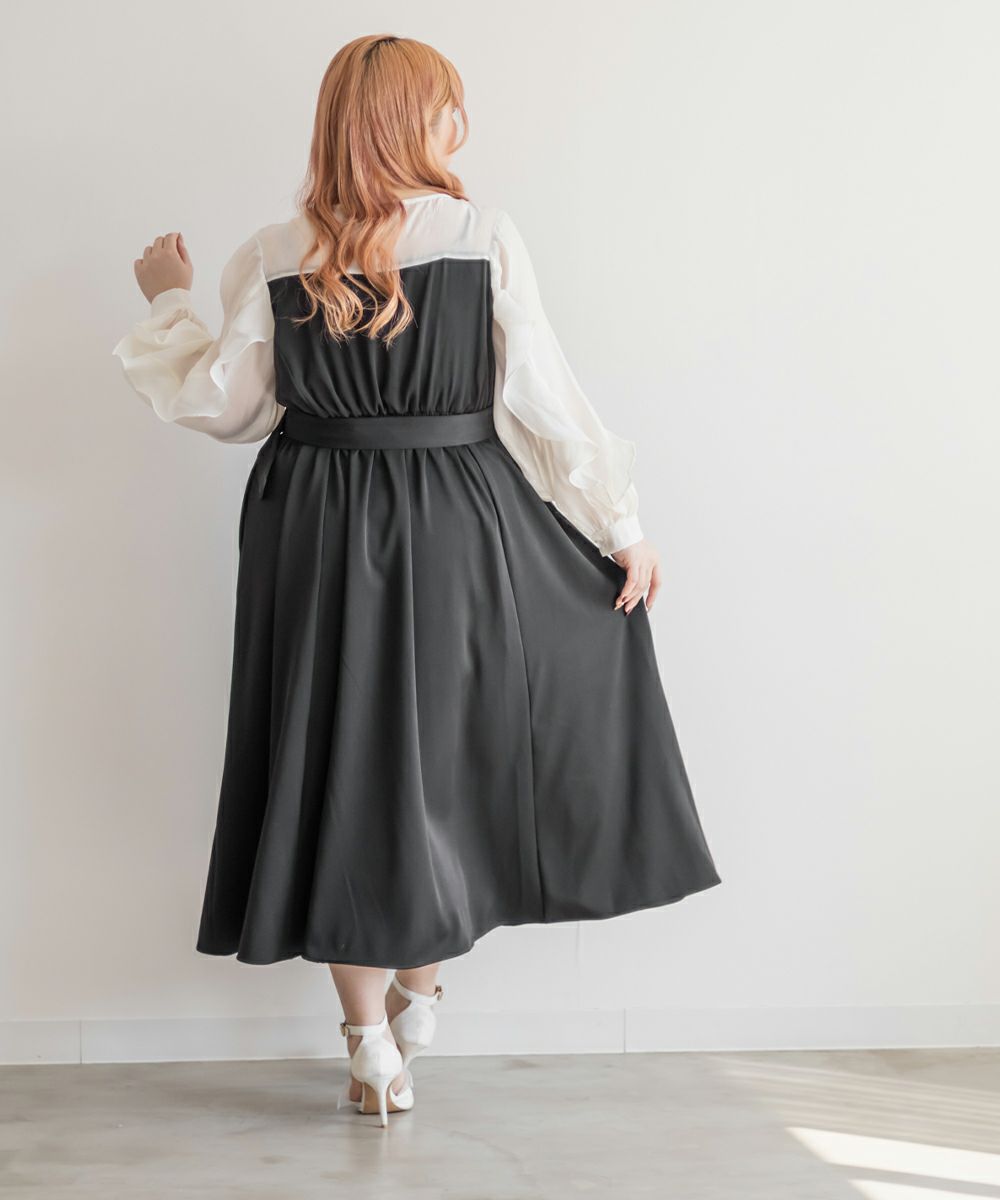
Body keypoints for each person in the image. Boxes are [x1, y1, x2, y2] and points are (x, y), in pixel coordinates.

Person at [112, 33, 722, 1127]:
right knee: (450, 754)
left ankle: (369, 1039)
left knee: (339, 760)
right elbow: (540, 396)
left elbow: (227, 407)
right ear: (411, 121)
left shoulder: (273, 252)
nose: (460, 126)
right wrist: (620, 526)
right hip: (457, 521)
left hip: (315, 523)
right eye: (447, 107)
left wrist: (170, 302)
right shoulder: (482, 238)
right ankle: (418, 996)